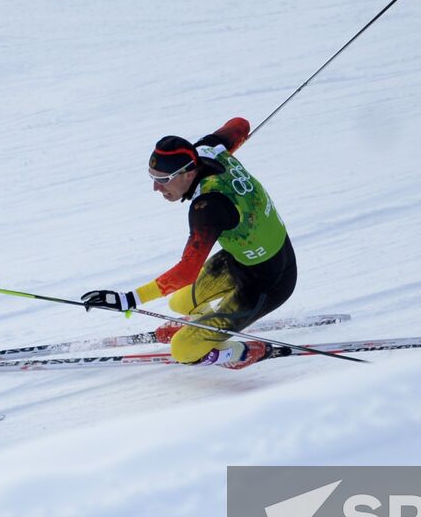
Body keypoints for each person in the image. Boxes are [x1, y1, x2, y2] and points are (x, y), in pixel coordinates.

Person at [81, 117, 297, 368]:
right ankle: (202, 329)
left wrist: (128, 299)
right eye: (152, 177)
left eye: (163, 180)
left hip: (269, 283)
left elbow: (186, 272)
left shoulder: (209, 206)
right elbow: (240, 124)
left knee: (183, 351)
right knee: (180, 303)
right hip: (239, 260)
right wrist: (230, 145)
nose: (155, 187)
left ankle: (242, 352)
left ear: (189, 173)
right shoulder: (206, 150)